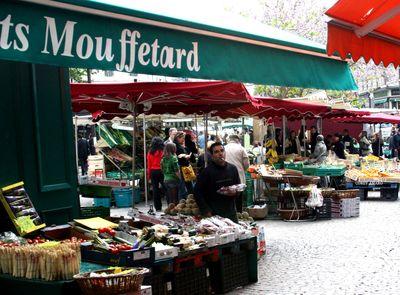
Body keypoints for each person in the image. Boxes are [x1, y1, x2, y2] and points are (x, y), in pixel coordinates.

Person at [194, 142, 241, 222]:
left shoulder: (232, 168)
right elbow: (197, 192)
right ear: (212, 156)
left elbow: (238, 186)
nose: (220, 154)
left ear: (225, 153)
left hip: (231, 212)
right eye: (216, 152)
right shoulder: (206, 172)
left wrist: (236, 192)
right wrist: (206, 211)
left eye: (222, 151)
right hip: (214, 213)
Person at [225, 134, 249, 213]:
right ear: (237, 140)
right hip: (239, 176)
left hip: (225, 176)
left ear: (229, 140)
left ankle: (228, 214)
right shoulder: (241, 149)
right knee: (238, 198)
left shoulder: (224, 148)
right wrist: (243, 169)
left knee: (228, 197)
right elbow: (246, 165)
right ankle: (238, 214)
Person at [147, 137, 164, 211]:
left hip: (153, 172)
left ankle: (158, 207)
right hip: (162, 171)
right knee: (166, 188)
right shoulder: (163, 152)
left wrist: (149, 176)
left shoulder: (150, 152)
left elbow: (149, 165)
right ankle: (170, 204)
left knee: (155, 189)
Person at [174, 131, 193, 197]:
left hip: (184, 167)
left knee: (188, 185)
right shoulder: (176, 146)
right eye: (182, 138)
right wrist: (185, 156)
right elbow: (178, 157)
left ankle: (190, 197)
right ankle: (188, 198)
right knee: (185, 185)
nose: (183, 140)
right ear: (178, 138)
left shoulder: (179, 146)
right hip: (182, 168)